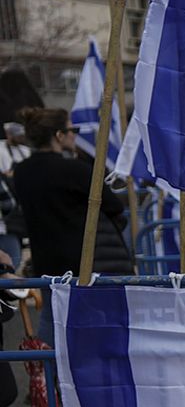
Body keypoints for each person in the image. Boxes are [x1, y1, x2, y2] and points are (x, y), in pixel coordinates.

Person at [11, 108, 134, 332]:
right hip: (84, 261)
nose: (75, 135)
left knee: (52, 322)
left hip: (45, 259)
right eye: (72, 129)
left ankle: (53, 366)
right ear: (59, 135)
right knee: (94, 327)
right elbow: (114, 206)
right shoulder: (75, 170)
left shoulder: (22, 171)